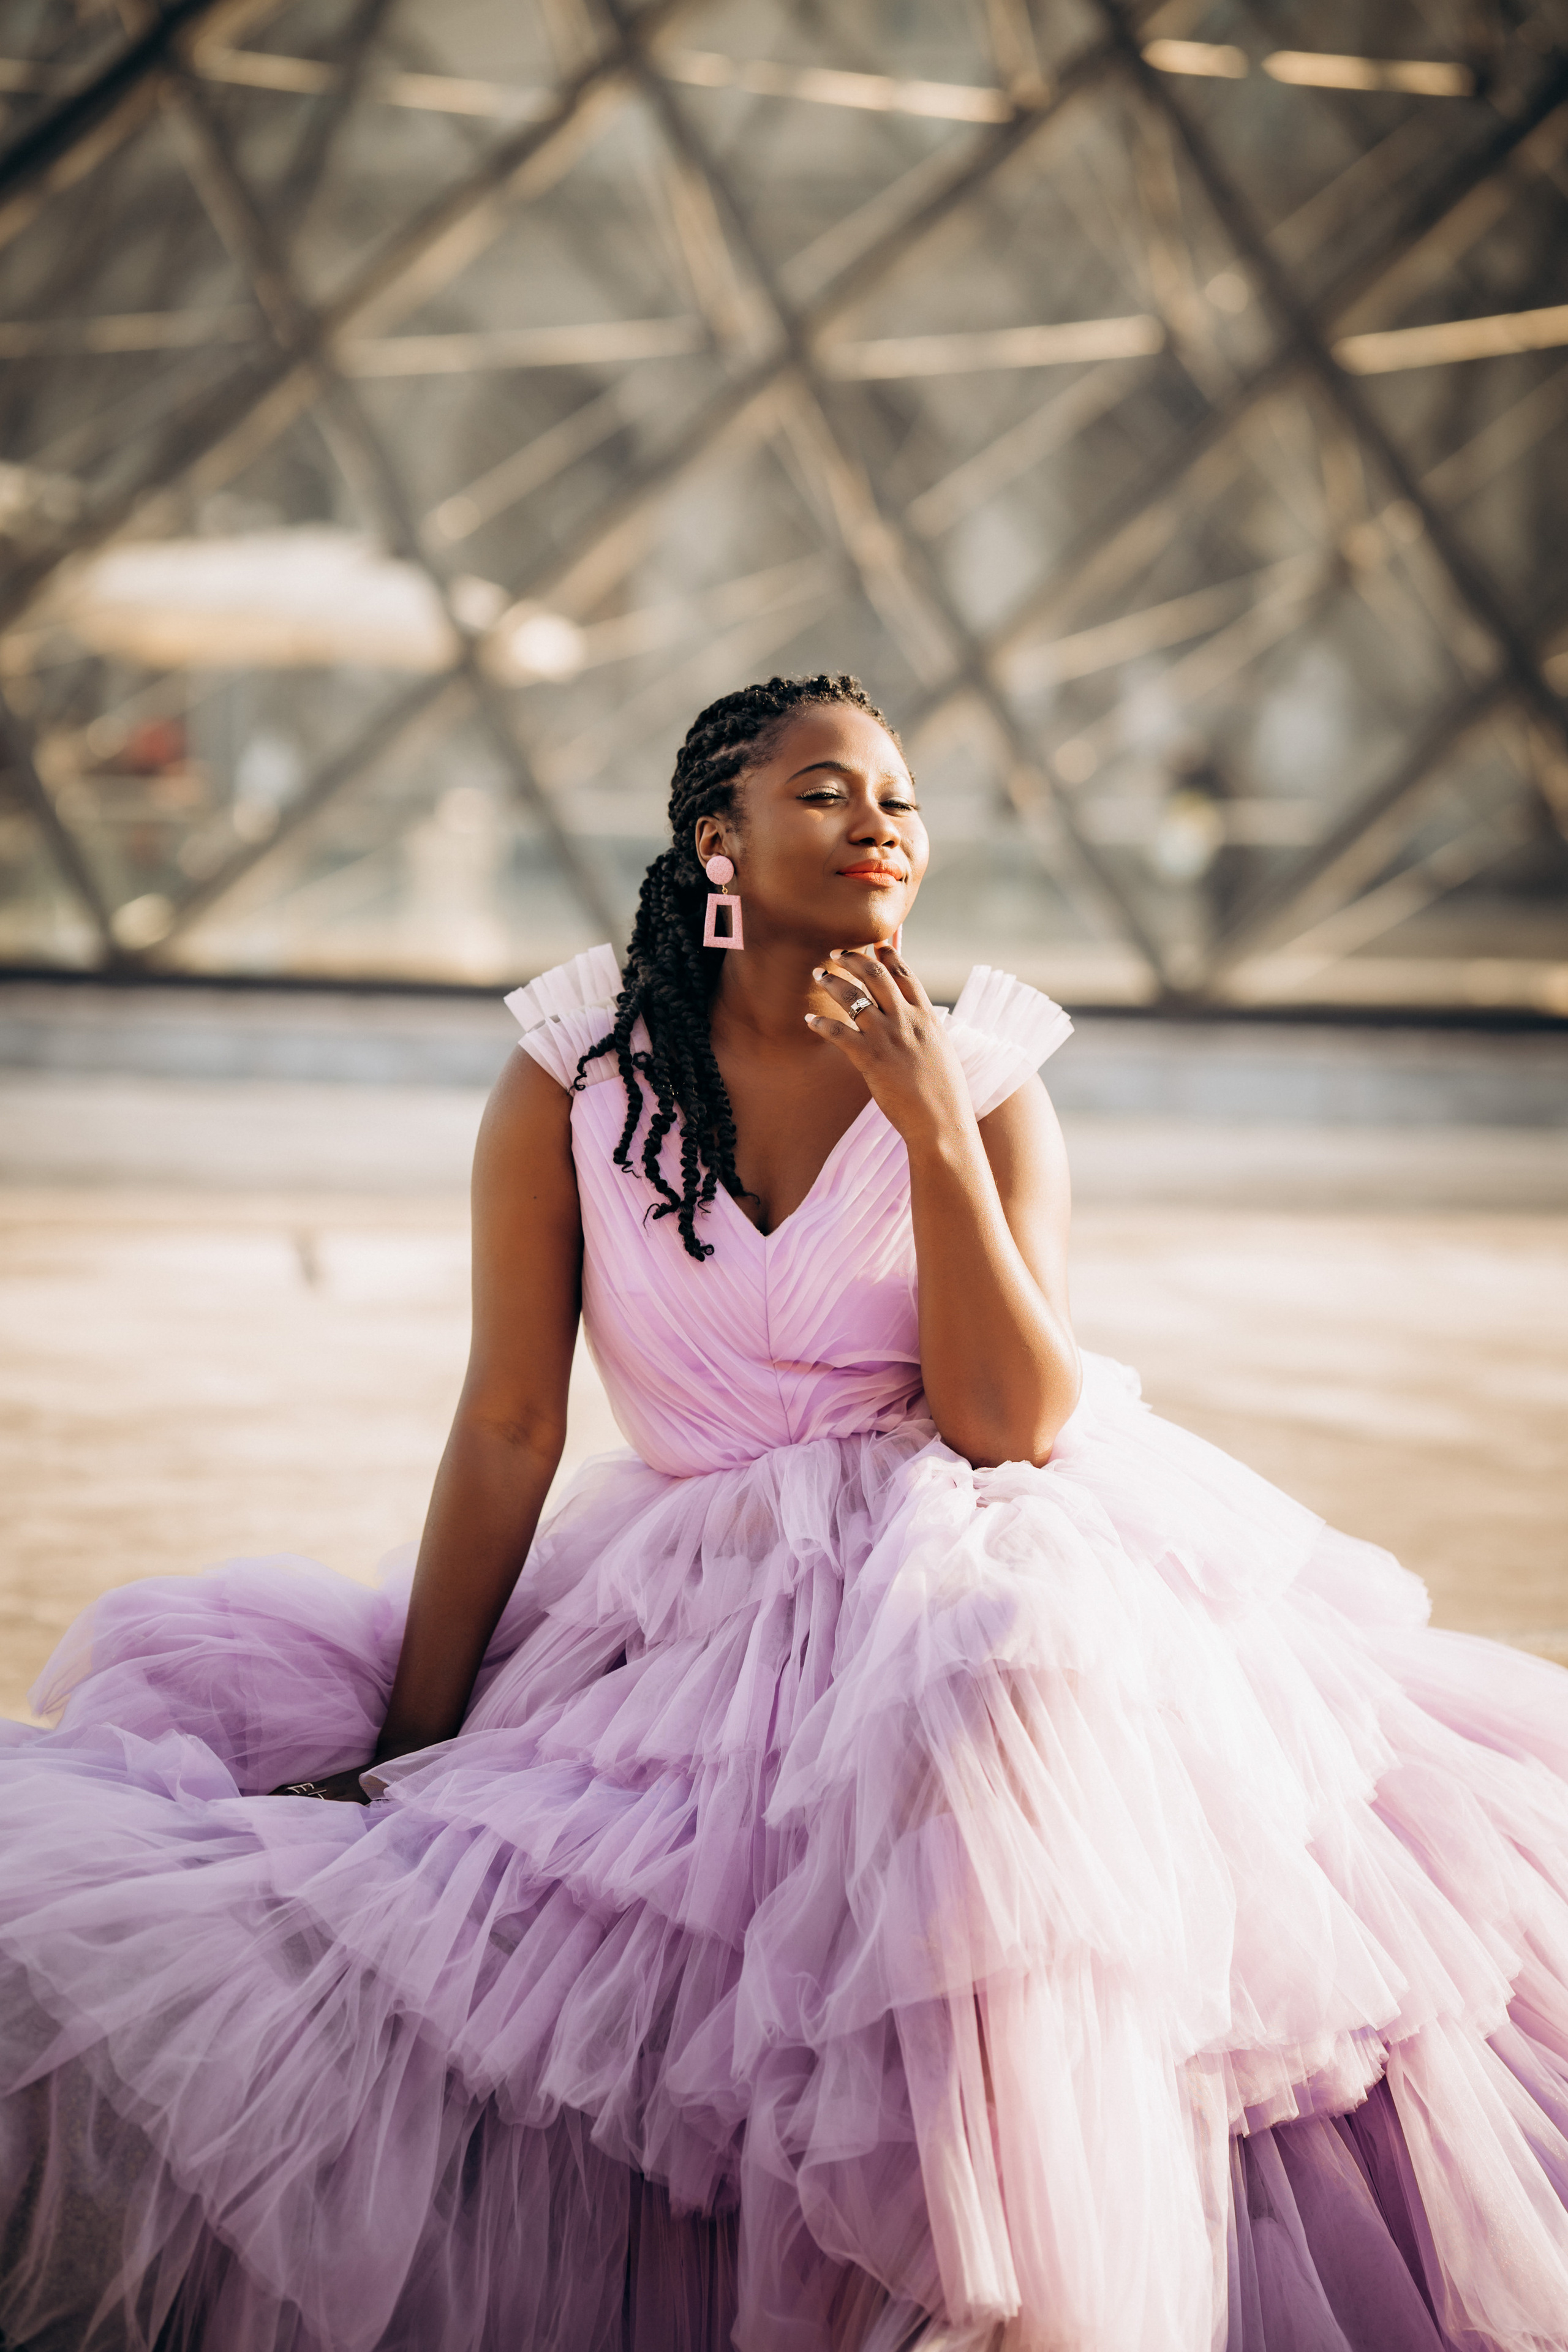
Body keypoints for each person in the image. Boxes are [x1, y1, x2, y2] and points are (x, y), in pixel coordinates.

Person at [3, 673, 1568, 2352]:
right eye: (827, 791)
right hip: (682, 1605)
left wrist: (935, 1134)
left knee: (994, 1714)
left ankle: (998, 2274)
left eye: (899, 795)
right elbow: (512, 1423)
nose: (882, 821)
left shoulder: (983, 1076)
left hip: (959, 1549)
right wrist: (413, 1735)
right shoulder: (574, 1085)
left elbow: (1014, 1423)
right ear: (715, 841)